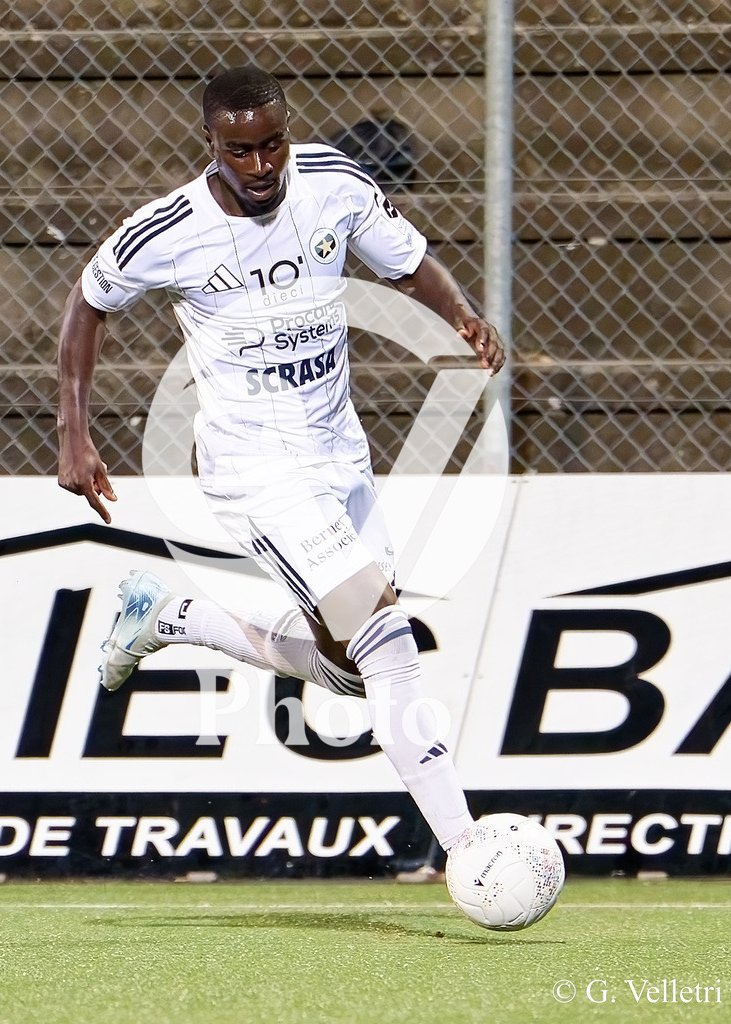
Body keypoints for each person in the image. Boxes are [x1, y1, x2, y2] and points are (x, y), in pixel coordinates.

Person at [57, 65, 504, 861]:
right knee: (386, 638)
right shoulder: (166, 231)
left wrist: (462, 315)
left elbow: (406, 261)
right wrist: (73, 432)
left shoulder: (331, 183)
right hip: (254, 469)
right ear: (211, 144)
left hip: (339, 457)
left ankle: (170, 617)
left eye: (272, 145)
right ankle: (470, 851)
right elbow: (88, 301)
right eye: (241, 151)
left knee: (351, 671)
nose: (262, 166)